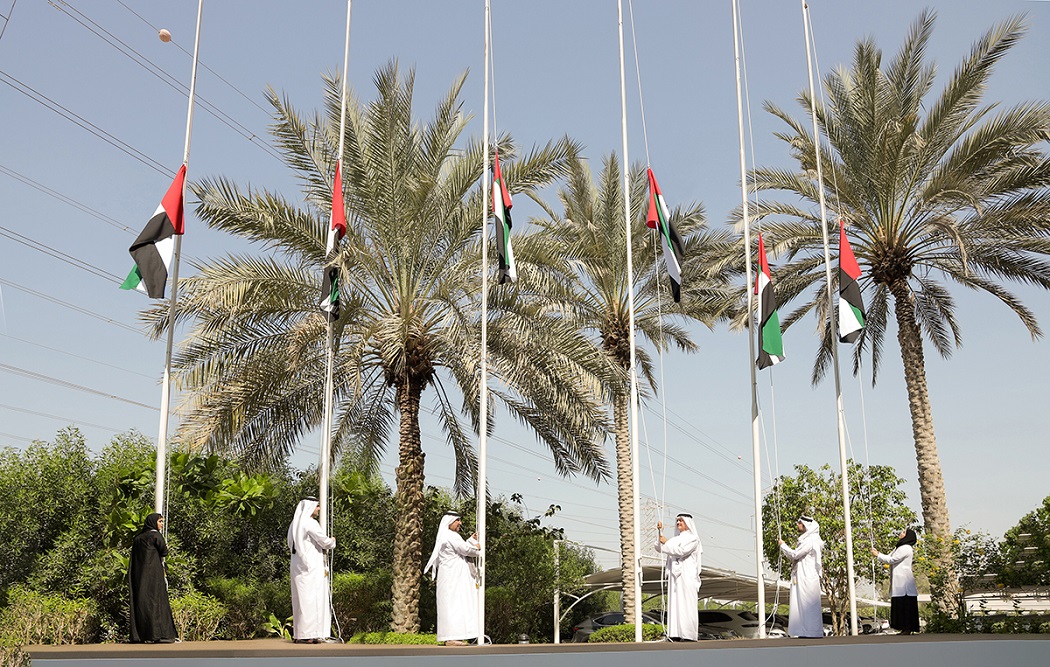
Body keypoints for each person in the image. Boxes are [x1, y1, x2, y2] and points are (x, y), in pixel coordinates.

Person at [424, 512, 480, 646]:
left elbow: (460, 548)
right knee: (453, 606)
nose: (460, 523)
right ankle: (451, 638)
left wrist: (471, 541)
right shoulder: (450, 535)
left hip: (452, 578)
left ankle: (454, 637)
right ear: (450, 522)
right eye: (457, 520)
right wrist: (477, 547)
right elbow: (466, 550)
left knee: (454, 606)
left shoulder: (448, 536)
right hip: (453, 579)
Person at [287, 497, 336, 644]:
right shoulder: (310, 523)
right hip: (311, 568)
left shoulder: (294, 524)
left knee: (301, 601)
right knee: (312, 601)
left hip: (297, 567)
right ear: (310, 507)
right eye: (317, 506)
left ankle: (300, 634)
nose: (319, 509)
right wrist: (332, 541)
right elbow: (324, 541)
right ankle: (310, 635)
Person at [129, 513, 178, 643]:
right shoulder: (155, 535)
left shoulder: (137, 538)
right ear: (153, 522)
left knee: (143, 602)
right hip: (154, 576)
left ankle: (142, 634)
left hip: (140, 576)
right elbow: (164, 552)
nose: (162, 524)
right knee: (156, 601)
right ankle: (158, 634)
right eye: (160, 521)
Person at [656, 513, 702, 641]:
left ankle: (688, 634)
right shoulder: (675, 539)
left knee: (687, 604)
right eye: (677, 521)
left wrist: (666, 542)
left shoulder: (693, 539)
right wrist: (659, 532)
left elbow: (681, 551)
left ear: (688, 523)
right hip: (674, 577)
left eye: (681, 521)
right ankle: (675, 633)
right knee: (675, 603)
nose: (678, 523)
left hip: (687, 576)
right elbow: (660, 547)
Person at [779, 515, 824, 638]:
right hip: (803, 576)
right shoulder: (807, 539)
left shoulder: (810, 540)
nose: (797, 525)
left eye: (799, 523)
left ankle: (811, 632)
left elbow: (795, 554)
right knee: (801, 604)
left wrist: (783, 546)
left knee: (808, 604)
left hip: (807, 576)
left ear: (806, 526)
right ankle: (804, 631)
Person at [872, 528, 920, 635]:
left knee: (905, 606)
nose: (901, 533)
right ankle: (903, 628)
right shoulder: (899, 547)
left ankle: (907, 628)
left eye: (903, 532)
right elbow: (889, 557)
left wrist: (878, 555)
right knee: (900, 605)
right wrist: (878, 553)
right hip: (899, 581)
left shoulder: (905, 548)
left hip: (904, 581)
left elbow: (892, 560)